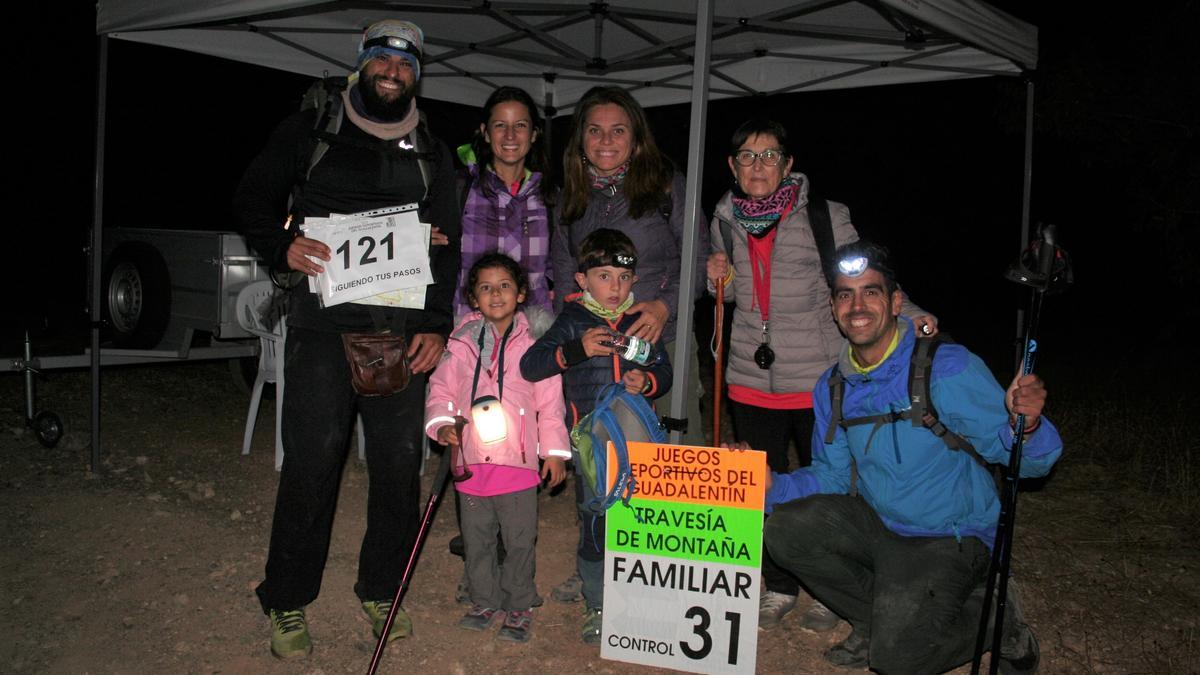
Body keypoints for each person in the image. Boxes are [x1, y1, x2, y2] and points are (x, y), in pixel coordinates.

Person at [233, 19, 461, 659]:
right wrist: (283, 244)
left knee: (396, 467)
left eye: (406, 62)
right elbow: (251, 197)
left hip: (396, 332)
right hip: (319, 327)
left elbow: (449, 245)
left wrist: (437, 325)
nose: (393, 70)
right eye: (382, 59)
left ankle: (382, 588)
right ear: (362, 63)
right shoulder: (312, 126)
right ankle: (285, 598)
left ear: (417, 73)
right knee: (313, 461)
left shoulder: (432, 151)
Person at [763, 240, 1062, 673]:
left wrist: (1027, 426)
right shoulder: (833, 386)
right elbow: (830, 476)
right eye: (845, 294)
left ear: (896, 302)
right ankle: (871, 622)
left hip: (952, 536)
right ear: (833, 308)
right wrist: (775, 487)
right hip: (883, 527)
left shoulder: (946, 367)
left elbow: (1028, 462)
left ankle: (1001, 621)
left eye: (871, 291)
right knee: (785, 530)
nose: (857, 305)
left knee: (898, 659)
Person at [705, 118, 937, 632]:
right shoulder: (722, 220)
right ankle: (778, 584)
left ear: (788, 164)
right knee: (756, 486)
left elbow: (861, 275)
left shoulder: (824, 217)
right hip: (748, 375)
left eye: (770, 156)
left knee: (831, 491)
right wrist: (714, 278)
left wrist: (911, 313)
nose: (758, 165)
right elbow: (733, 294)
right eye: (747, 155)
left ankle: (831, 590)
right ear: (732, 166)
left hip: (818, 379)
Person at [520, 228, 672, 645]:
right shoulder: (571, 320)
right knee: (596, 520)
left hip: (638, 439)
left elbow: (665, 371)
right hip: (592, 445)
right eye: (603, 276)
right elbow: (531, 366)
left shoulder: (640, 321)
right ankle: (597, 601)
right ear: (583, 280)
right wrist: (576, 351)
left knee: (639, 517)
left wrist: (649, 381)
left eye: (624, 278)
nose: (615, 286)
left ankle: (640, 596)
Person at [424, 253, 569, 643]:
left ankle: (519, 604)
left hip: (517, 464)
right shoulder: (460, 343)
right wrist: (441, 425)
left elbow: (550, 404)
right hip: (470, 464)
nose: (495, 294)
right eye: (485, 287)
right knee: (477, 539)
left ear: (521, 293)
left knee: (519, 540)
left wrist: (554, 452)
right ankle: (484, 599)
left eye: (504, 285)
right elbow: (440, 389)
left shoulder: (537, 345)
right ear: (473, 298)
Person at [455, 86, 555, 320]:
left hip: (532, 334)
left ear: (533, 134)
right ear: (486, 133)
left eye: (520, 125)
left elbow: (558, 266)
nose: (510, 135)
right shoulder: (461, 190)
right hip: (471, 335)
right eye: (500, 125)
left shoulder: (550, 197)